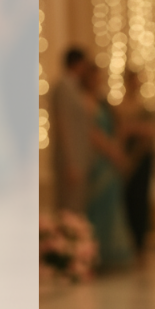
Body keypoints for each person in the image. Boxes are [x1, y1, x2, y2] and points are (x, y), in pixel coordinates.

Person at [80, 61, 135, 271]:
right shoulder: (85, 102)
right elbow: (92, 133)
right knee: (98, 206)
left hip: (109, 159)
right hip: (99, 159)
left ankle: (112, 254)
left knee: (112, 205)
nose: (97, 81)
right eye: (93, 77)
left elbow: (117, 127)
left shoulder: (102, 102)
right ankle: (97, 253)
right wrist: (113, 152)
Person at [117, 68, 155, 254]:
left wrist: (135, 157)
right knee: (126, 199)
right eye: (131, 81)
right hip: (124, 158)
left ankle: (141, 241)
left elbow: (150, 134)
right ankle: (127, 240)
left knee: (141, 199)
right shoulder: (119, 107)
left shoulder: (144, 108)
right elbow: (119, 133)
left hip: (142, 159)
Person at [52, 48, 93, 214]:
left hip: (79, 157)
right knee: (69, 208)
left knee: (77, 206)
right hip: (70, 159)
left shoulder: (76, 88)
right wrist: (71, 162)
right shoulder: (63, 87)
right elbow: (62, 124)